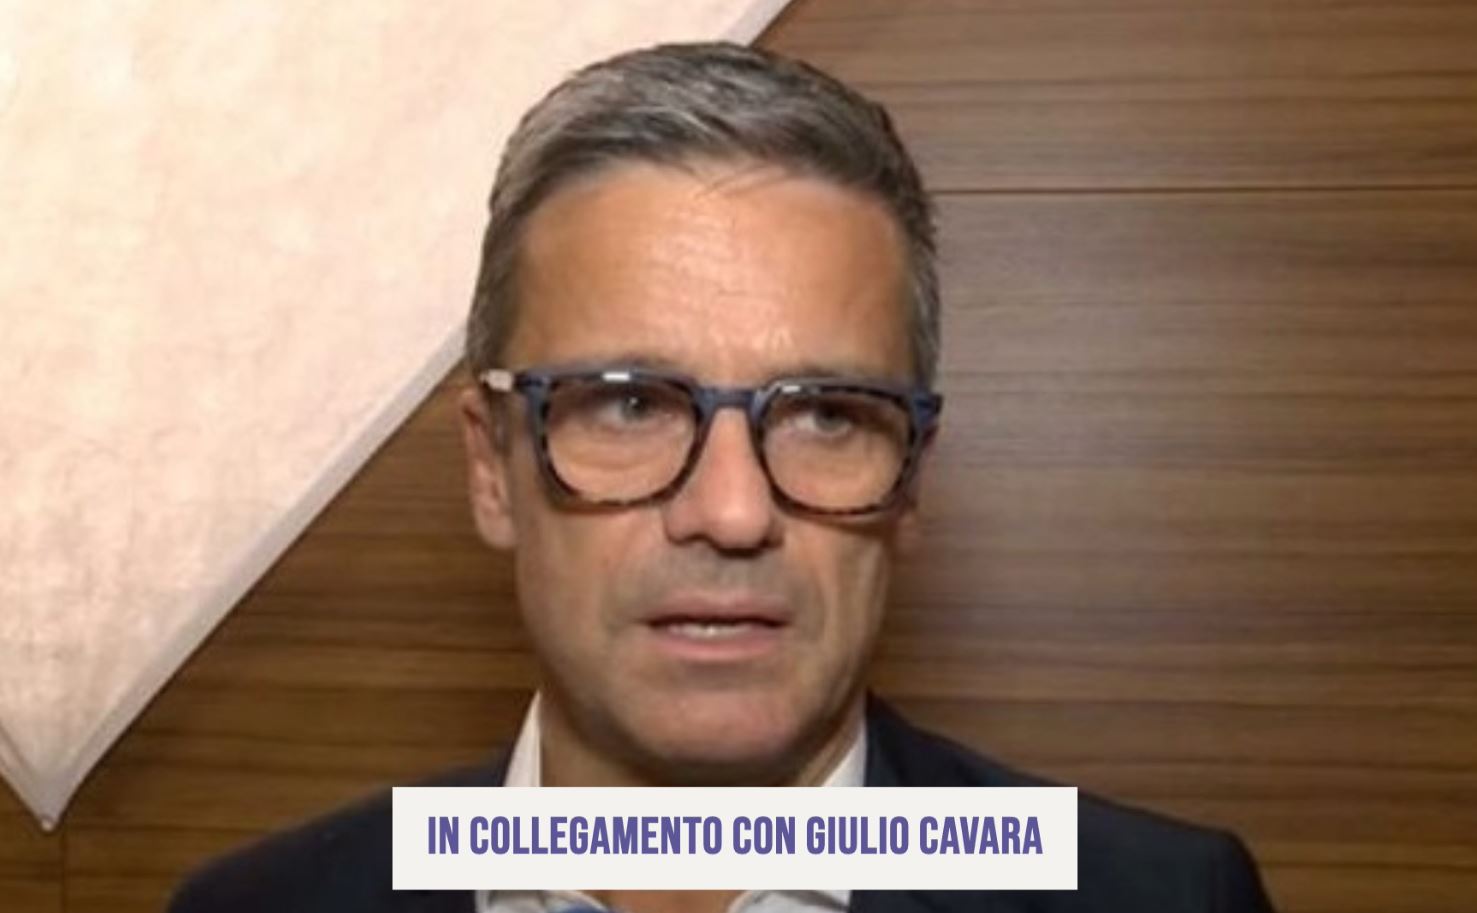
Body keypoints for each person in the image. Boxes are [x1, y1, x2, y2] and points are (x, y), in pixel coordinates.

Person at [169, 41, 1275, 913]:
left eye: (827, 415)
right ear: (491, 466)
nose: (734, 512)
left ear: (909, 482)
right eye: (630, 403)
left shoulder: (1165, 899)